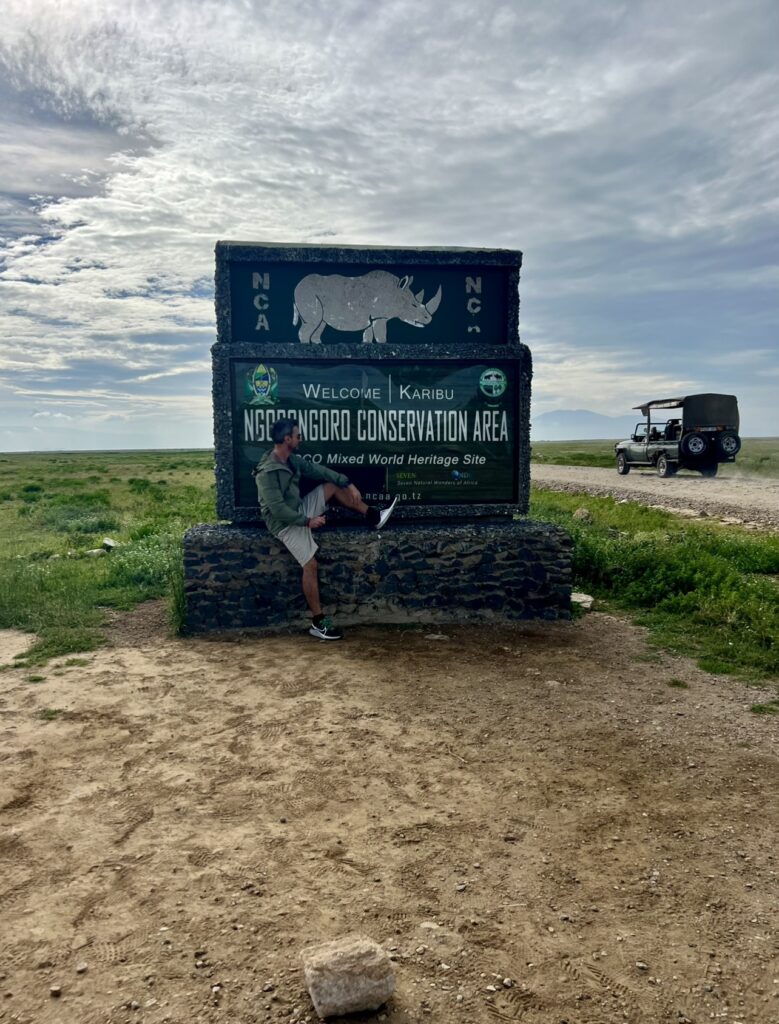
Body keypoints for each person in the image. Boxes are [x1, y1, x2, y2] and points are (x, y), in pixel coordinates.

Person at [255, 416, 397, 641]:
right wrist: (307, 521)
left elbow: (318, 471)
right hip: (285, 524)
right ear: (287, 438)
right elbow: (278, 510)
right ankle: (318, 622)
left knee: (332, 485)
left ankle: (373, 515)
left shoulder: (292, 459)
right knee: (310, 564)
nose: (301, 439)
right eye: (298, 436)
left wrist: (347, 482)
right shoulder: (267, 473)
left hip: (300, 509)